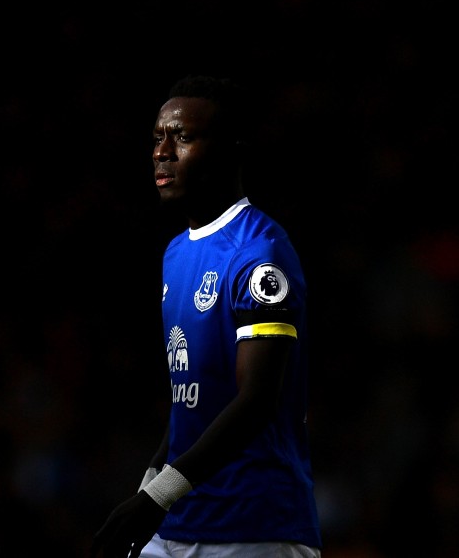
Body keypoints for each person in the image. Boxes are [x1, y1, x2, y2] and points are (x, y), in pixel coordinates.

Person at [90, 75, 322, 557]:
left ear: (230, 150)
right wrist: (150, 484)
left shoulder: (260, 253)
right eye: (158, 137)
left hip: (254, 529)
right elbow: (192, 403)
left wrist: (158, 496)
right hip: (176, 523)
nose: (163, 151)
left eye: (184, 137)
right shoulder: (176, 253)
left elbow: (256, 401)